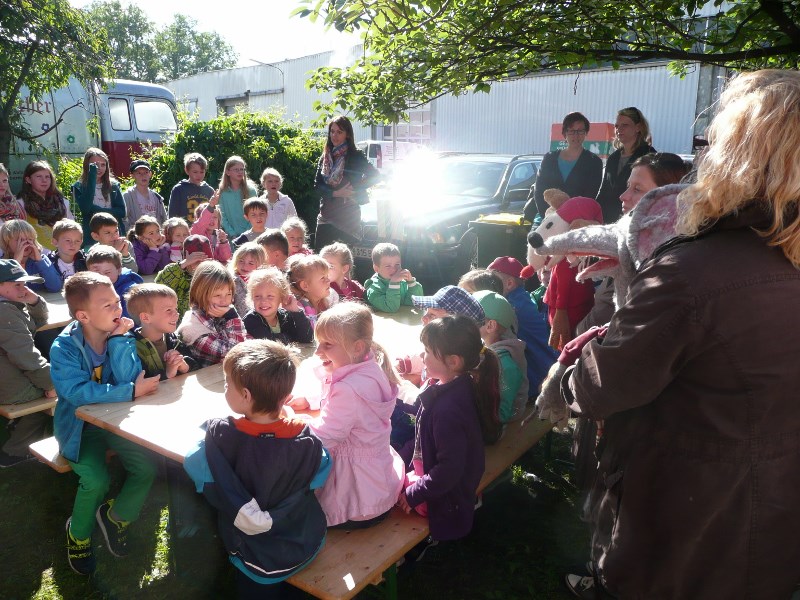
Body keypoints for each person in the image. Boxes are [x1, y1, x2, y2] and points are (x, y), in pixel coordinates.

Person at [562, 69, 800, 599]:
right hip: (774, 527)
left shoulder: (695, 273)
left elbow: (602, 388)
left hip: (684, 534)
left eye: (713, 141)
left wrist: (574, 367)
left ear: (736, 155)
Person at [183, 339, 330, 598]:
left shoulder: (221, 435)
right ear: (284, 397)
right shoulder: (307, 441)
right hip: (303, 542)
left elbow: (194, 461)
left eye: (228, 384)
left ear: (246, 396)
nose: (226, 388)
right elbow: (321, 471)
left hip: (252, 554)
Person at [50, 271, 160, 575]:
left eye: (116, 302)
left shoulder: (120, 335)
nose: (118, 310)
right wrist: (127, 392)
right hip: (78, 428)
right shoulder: (64, 348)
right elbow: (75, 392)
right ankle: (79, 534)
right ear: (83, 315)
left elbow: (129, 376)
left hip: (115, 422)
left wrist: (119, 341)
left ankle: (114, 517)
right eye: (108, 306)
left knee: (146, 467)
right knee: (96, 480)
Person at [295, 303, 405, 528]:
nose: (318, 351)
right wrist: (310, 402)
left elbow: (326, 437)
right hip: (377, 486)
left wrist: (293, 429)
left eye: (327, 344)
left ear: (357, 347)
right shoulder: (370, 369)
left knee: (299, 514)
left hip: (357, 501)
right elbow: (342, 405)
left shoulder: (349, 389)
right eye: (318, 343)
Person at [396, 316, 500, 541]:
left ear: (453, 361)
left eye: (427, 351)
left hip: (444, 499)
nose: (422, 356)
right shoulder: (454, 386)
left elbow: (449, 470)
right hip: (440, 481)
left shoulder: (448, 410)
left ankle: (417, 549)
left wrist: (415, 493)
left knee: (391, 493)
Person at [577, 152, 691, 334]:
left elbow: (605, 320)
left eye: (637, 189)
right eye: (628, 186)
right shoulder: (631, 243)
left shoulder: (653, 261)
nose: (623, 196)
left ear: (667, 197)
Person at [0, 259, 55, 467]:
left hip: (9, 376)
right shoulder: (4, 312)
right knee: (56, 399)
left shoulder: (9, 306)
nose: (24, 289)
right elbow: (26, 356)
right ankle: (14, 452)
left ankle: (19, 429)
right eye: (17, 285)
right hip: (7, 386)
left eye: (25, 284)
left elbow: (38, 323)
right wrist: (50, 384)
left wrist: (34, 302)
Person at [487, 256, 556, 392]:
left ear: (509, 284)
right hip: (544, 369)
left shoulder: (511, 308)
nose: (488, 286)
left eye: (492, 281)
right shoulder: (522, 299)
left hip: (536, 376)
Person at [314, 115, 380, 248]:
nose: (335, 135)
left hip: (348, 216)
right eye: (332, 131)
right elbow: (317, 186)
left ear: (347, 135)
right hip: (326, 215)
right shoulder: (325, 157)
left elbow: (375, 175)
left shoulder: (355, 156)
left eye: (339, 132)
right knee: (321, 262)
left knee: (343, 262)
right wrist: (336, 193)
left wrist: (353, 189)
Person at [525, 112, 603, 224]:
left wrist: (565, 219)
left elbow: (588, 197)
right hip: (545, 218)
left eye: (580, 131)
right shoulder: (549, 159)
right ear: (564, 133)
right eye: (571, 131)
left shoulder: (594, 162)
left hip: (575, 220)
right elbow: (539, 192)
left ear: (586, 133)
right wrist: (549, 218)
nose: (576, 135)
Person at [176, 260, 249, 368]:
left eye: (228, 294)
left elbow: (247, 341)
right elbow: (236, 353)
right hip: (209, 381)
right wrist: (233, 317)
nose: (224, 301)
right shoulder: (192, 328)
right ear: (199, 294)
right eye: (217, 295)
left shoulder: (223, 312)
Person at [473, 290, 528, 424]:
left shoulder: (504, 364)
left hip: (498, 424)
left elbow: (501, 414)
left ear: (490, 325)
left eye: (470, 317)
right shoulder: (483, 346)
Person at [595, 107, 656, 224]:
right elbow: (604, 191)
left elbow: (651, 194)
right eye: (617, 126)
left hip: (635, 220)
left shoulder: (649, 156)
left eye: (625, 125)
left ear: (638, 127)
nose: (619, 129)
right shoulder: (613, 158)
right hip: (607, 221)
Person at [126, 283, 195, 380]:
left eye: (175, 309)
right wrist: (166, 374)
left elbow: (195, 364)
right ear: (146, 317)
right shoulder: (132, 349)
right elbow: (140, 381)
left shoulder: (173, 339)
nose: (177, 314)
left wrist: (184, 366)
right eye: (168, 310)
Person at [242, 266, 314, 345]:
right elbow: (270, 343)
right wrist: (291, 337)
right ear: (252, 298)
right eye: (257, 296)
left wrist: (296, 311)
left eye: (270, 296)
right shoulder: (251, 320)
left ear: (281, 297)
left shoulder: (285, 316)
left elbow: (307, 338)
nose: (263, 301)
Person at [17, 160, 75, 250]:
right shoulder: (21, 204)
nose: (44, 180)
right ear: (28, 179)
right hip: (35, 254)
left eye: (47, 177)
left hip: (61, 253)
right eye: (39, 176)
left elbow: (72, 228)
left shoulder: (62, 203)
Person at [71, 148, 126, 241]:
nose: (99, 168)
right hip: (92, 236)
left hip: (114, 235)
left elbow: (121, 211)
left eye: (103, 165)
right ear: (86, 165)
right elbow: (86, 209)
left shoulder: (114, 186)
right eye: (95, 165)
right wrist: (92, 175)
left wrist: (99, 210)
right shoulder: (79, 186)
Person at [155, 234, 213, 317]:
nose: (200, 265)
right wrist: (182, 264)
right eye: (196, 261)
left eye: (204, 261)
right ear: (186, 259)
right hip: (180, 321)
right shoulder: (178, 273)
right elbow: (160, 285)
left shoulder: (215, 277)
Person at [0, 219, 62, 292]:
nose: (25, 243)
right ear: (6, 244)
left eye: (29, 239)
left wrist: (40, 261)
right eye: (19, 240)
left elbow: (55, 287)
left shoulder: (42, 260)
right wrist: (15, 263)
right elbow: (7, 291)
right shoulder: (2, 264)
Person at [86, 244, 143, 319]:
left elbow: (129, 320)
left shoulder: (129, 292)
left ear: (119, 270)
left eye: (107, 273)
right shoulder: (89, 288)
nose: (102, 277)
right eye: (96, 273)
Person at [364, 242, 423, 313]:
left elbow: (415, 302)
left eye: (397, 264)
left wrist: (411, 283)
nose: (394, 269)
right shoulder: (374, 289)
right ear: (376, 268)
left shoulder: (402, 282)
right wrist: (394, 284)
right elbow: (391, 308)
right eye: (388, 266)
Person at [286, 254, 339, 327]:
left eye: (327, 276)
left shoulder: (329, 300)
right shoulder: (298, 308)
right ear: (305, 286)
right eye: (322, 278)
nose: (328, 280)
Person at [167, 152, 214, 225]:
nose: (199, 175)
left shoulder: (209, 191)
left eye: (202, 172)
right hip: (185, 232)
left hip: (205, 232)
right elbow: (172, 215)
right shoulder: (179, 189)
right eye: (195, 172)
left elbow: (214, 214)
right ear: (186, 170)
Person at [217, 156, 258, 238]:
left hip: (250, 235)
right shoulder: (222, 192)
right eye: (236, 169)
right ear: (228, 172)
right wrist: (232, 233)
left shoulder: (251, 191)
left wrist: (246, 234)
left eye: (242, 169)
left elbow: (256, 213)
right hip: (231, 237)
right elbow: (222, 216)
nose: (240, 172)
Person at [122, 159, 167, 230]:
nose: (143, 176)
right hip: (137, 237)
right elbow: (123, 220)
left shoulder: (157, 197)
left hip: (155, 237)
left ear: (150, 174)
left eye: (146, 172)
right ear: (132, 175)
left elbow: (165, 219)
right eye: (139, 173)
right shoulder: (128, 196)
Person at [229, 241, 267, 317]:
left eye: (251, 263)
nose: (245, 266)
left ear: (260, 265)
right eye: (241, 261)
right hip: (240, 320)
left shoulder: (263, 281)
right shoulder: (232, 281)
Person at [190, 199, 232, 263]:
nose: (212, 220)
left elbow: (226, 258)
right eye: (209, 217)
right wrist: (210, 206)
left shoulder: (217, 236)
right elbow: (202, 222)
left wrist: (223, 242)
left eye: (215, 217)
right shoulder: (197, 232)